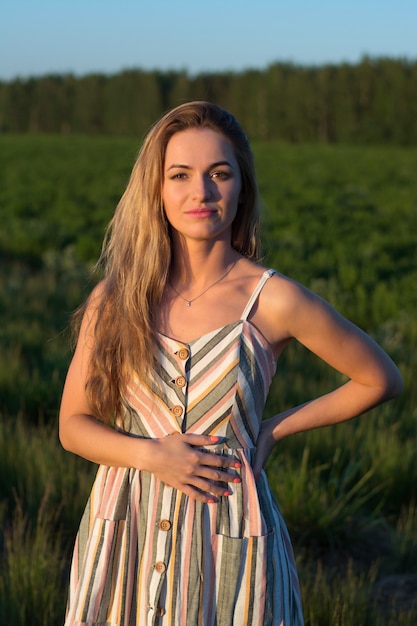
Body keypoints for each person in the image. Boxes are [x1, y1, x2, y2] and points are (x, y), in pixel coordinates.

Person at [59, 101, 403, 626]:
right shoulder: (118, 296)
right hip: (125, 528)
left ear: (242, 188)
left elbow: (380, 377)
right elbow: (72, 426)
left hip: (228, 537)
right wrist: (154, 456)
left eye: (220, 174)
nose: (201, 192)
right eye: (181, 175)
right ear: (157, 189)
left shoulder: (273, 300)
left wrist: (274, 430)